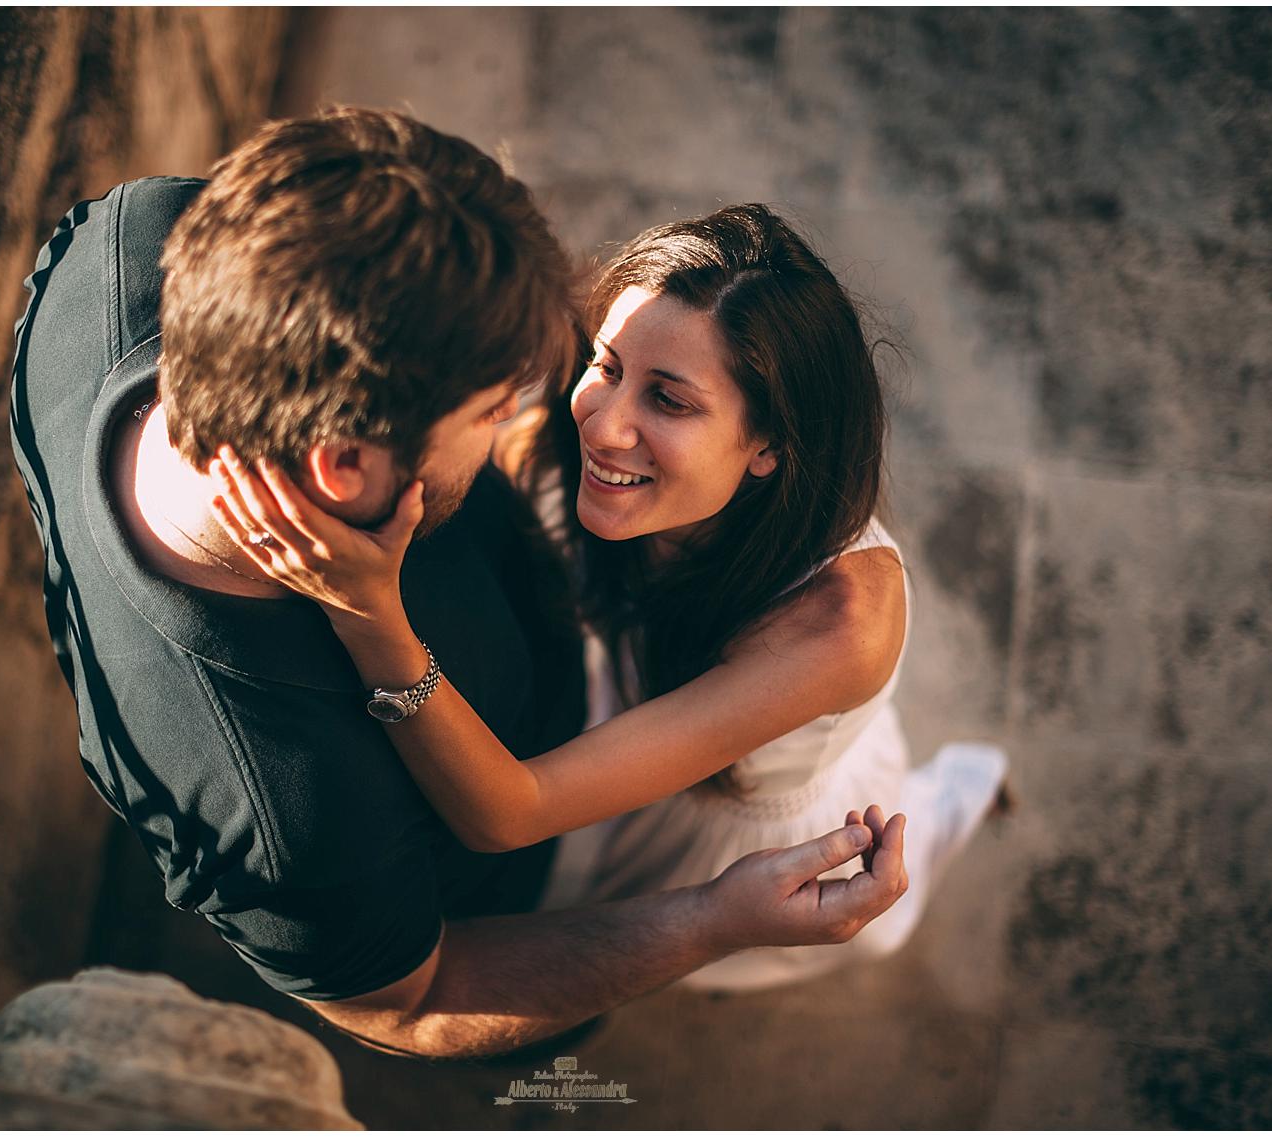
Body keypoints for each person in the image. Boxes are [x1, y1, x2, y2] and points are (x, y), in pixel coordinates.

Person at [9, 106, 908, 1062]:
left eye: (667, 398)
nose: (560, 425)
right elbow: (421, 987)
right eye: (489, 409)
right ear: (343, 469)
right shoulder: (283, 819)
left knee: (897, 867)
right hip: (599, 794)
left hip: (712, 775)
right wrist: (707, 922)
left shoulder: (125, 242)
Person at [209, 203, 1008, 993]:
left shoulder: (841, 625)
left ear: (769, 445)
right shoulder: (582, 422)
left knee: (876, 893)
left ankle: (953, 801)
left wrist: (366, 610)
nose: (603, 425)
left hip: (735, 814)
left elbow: (506, 816)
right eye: (608, 365)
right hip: (641, 705)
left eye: (669, 401)